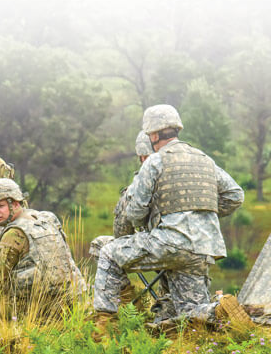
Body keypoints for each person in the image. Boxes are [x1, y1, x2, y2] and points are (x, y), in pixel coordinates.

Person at [93, 104, 252, 335]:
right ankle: (217, 311)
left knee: (108, 252)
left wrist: (151, 221)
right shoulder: (204, 159)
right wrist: (201, 213)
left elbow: (135, 212)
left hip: (168, 243)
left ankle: (105, 327)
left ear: (154, 135)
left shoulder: (155, 161)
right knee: (188, 311)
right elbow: (235, 196)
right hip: (202, 249)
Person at [0, 178, 86, 312]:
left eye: (0, 206)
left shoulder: (14, 233)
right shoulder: (46, 218)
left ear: (15, 204)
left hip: (38, 309)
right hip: (72, 299)